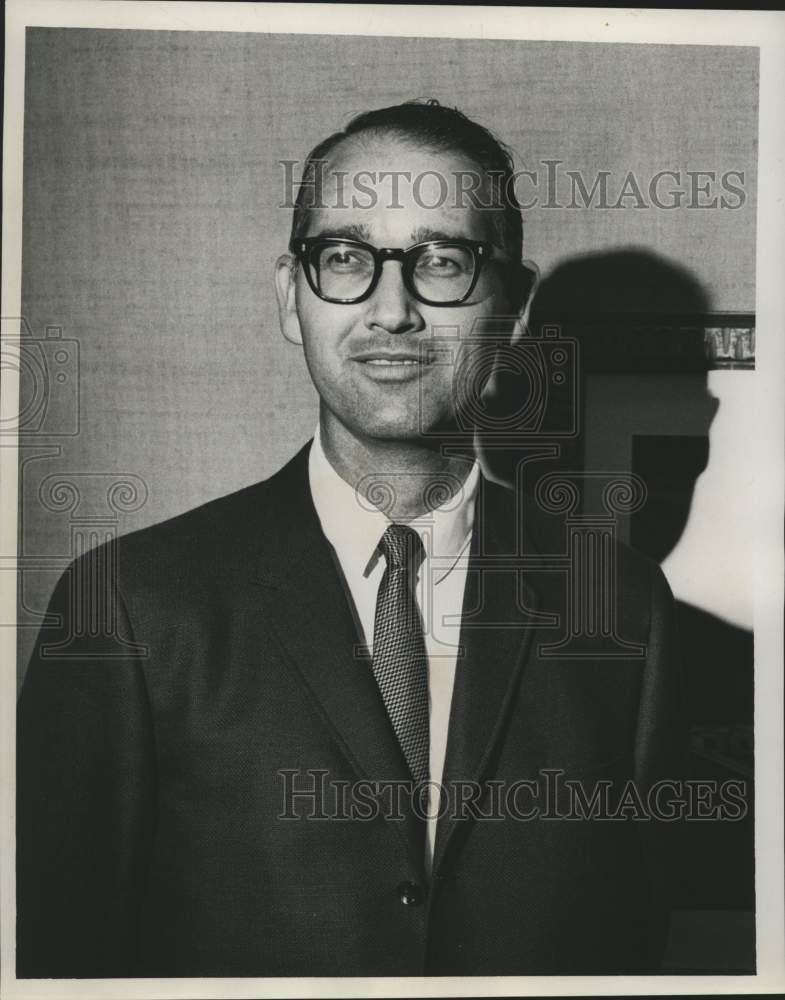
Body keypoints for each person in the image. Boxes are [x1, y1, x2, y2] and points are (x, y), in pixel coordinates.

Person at [17, 100, 683, 978]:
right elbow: (56, 959)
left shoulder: (626, 609)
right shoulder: (128, 605)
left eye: (443, 261)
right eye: (345, 258)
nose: (392, 310)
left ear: (513, 307)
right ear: (292, 298)